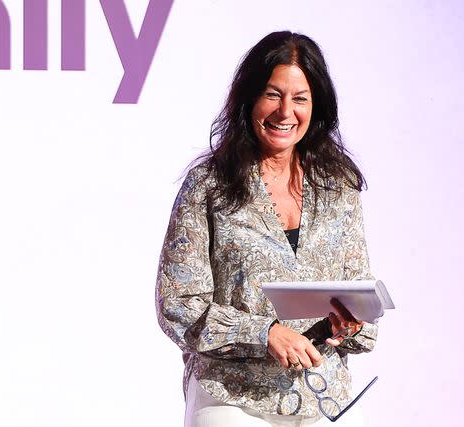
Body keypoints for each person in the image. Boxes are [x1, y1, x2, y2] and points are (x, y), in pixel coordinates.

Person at [156, 31, 379, 426]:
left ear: (317, 106)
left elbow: (355, 289)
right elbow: (178, 306)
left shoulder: (338, 186)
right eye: (273, 95)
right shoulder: (209, 185)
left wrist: (348, 323)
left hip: (321, 398)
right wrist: (265, 333)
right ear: (249, 99)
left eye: (300, 98)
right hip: (231, 399)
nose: (285, 113)